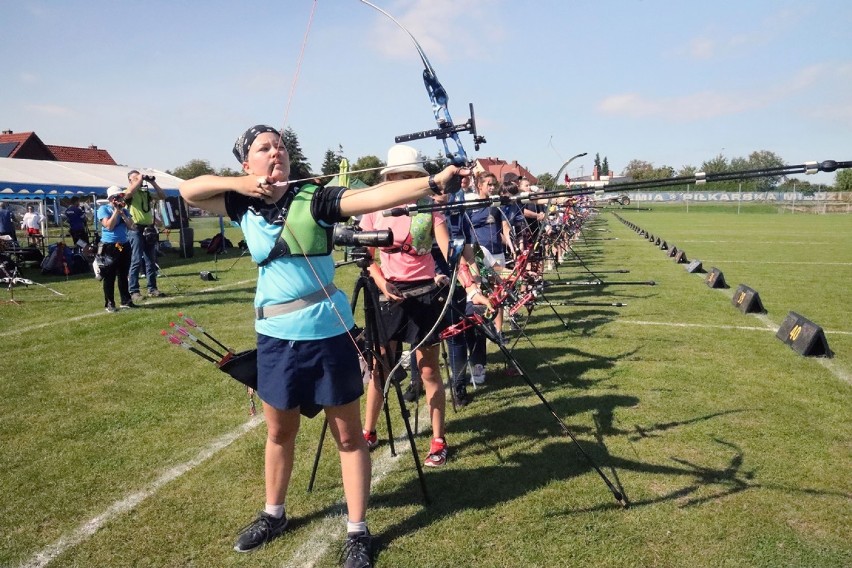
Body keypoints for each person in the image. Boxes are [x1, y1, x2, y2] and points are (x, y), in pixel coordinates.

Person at [179, 125, 466, 567]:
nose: (276, 152)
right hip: (275, 338)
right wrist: (242, 186)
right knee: (279, 432)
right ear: (247, 162)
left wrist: (431, 182)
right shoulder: (240, 202)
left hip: (328, 335)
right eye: (264, 148)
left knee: (349, 436)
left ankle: (357, 531)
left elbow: (372, 197)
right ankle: (273, 514)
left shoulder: (316, 198)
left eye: (281, 146)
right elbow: (188, 190)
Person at [357, 144, 451, 467]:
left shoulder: (428, 205)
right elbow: (367, 260)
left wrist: (452, 256)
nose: (406, 180)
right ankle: (368, 432)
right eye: (401, 175)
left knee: (428, 371)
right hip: (389, 295)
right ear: (391, 177)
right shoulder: (374, 208)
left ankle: (438, 439)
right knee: (380, 367)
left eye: (412, 175)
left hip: (425, 294)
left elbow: (443, 239)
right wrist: (383, 284)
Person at [125, 169, 167, 301]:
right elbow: (129, 193)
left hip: (148, 229)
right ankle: (134, 290)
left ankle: (152, 288)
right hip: (135, 229)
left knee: (151, 260)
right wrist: (139, 179)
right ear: (130, 180)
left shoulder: (146, 193)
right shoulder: (128, 192)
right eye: (135, 178)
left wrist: (152, 182)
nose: (139, 180)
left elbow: (162, 196)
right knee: (136, 260)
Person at [97, 187, 136, 312]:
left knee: (123, 275)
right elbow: (109, 226)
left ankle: (126, 300)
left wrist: (123, 213)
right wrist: (115, 211)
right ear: (110, 199)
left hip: (123, 244)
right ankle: (110, 303)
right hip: (110, 246)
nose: (119, 199)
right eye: (116, 197)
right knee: (109, 276)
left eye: (120, 197)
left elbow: (132, 227)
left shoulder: (124, 210)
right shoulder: (103, 209)